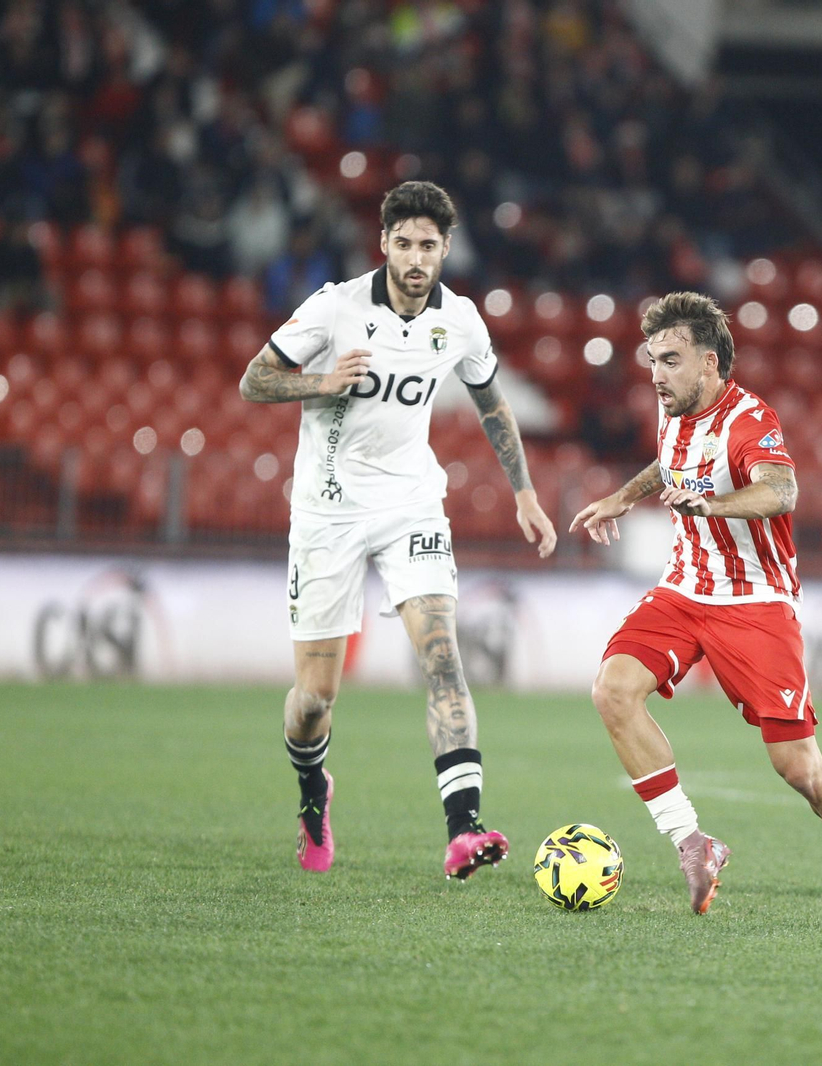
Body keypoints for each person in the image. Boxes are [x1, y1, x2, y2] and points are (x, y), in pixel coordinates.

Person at [239, 180, 558, 878]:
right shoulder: (335, 308)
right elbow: (254, 381)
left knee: (442, 655)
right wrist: (321, 383)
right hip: (328, 509)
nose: (416, 258)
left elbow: (492, 405)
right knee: (315, 700)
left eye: (428, 246)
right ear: (383, 243)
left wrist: (525, 494)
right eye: (405, 243)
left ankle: (464, 829)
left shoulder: (461, 321)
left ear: (446, 249)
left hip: (412, 503)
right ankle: (313, 791)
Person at [568, 292, 822, 918]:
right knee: (613, 690)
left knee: (798, 768)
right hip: (682, 589)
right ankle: (692, 843)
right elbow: (670, 462)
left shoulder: (748, 420)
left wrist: (714, 505)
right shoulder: (673, 406)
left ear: (710, 363)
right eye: (652, 360)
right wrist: (623, 496)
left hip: (754, 601)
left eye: (671, 361)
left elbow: (782, 490)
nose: (656, 374)